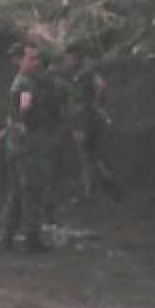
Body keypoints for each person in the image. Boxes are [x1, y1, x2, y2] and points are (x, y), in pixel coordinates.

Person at [0, 41, 66, 251]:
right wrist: (23, 126)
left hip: (21, 145)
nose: (36, 63)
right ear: (20, 61)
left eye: (37, 58)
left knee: (19, 191)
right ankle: (30, 236)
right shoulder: (25, 84)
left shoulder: (26, 81)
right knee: (30, 190)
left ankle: (9, 235)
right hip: (27, 146)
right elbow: (24, 110)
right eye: (31, 59)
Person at [62, 40, 122, 200]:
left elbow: (97, 90)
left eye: (69, 58)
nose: (67, 62)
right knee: (94, 158)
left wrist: (81, 125)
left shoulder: (83, 75)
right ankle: (107, 188)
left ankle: (92, 193)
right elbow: (100, 87)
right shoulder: (84, 73)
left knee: (88, 159)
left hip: (86, 122)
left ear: (76, 58)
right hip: (90, 120)